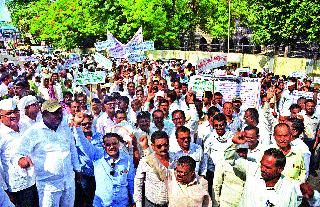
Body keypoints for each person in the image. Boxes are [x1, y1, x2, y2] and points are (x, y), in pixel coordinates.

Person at [16, 100, 81, 207]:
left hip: (68, 182)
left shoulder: (65, 128)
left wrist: (77, 169)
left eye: (60, 112)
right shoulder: (33, 132)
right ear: (44, 114)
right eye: (54, 113)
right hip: (48, 186)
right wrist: (21, 160)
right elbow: (19, 153)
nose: (59, 115)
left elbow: (72, 149)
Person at [75, 132, 135, 207]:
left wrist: (134, 201)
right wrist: (77, 127)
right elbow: (83, 144)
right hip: (101, 204)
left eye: (114, 143)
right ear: (103, 146)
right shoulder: (97, 155)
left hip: (121, 204)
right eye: (108, 145)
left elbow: (131, 181)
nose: (112, 147)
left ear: (119, 144)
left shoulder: (127, 159)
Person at [0, 98, 38, 207]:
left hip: (34, 180)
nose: (14, 115)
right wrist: (5, 190)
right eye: (9, 113)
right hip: (17, 186)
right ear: (1, 116)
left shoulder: (25, 126)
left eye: (16, 111)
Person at [134, 131, 171, 207]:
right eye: (159, 146)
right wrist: (138, 204)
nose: (163, 148)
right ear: (153, 146)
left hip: (171, 203)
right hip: (150, 203)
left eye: (165, 145)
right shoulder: (145, 161)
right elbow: (138, 184)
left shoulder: (176, 159)